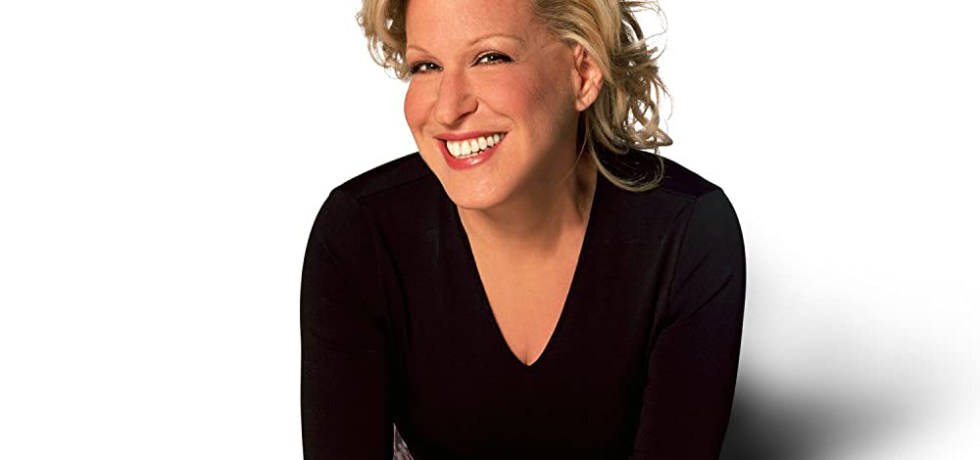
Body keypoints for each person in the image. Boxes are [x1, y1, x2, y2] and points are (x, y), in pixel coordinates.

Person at [300, 0, 746, 458]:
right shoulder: (361, 233)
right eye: (426, 66)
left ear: (583, 73)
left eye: (490, 57)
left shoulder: (687, 232)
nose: (448, 109)